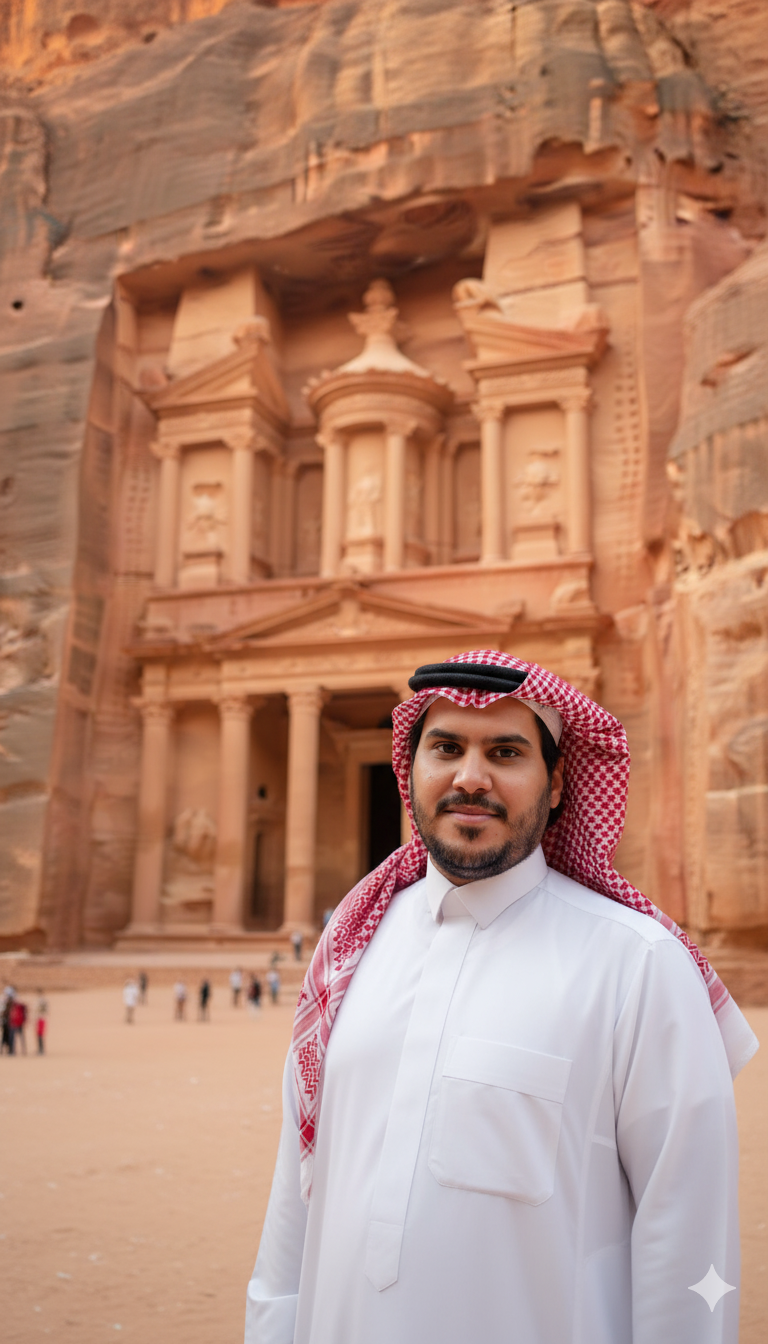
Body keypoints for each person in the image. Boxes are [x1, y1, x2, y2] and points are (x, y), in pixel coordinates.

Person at [246, 651, 758, 1344]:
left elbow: (687, 1244)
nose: (470, 777)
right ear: (409, 769)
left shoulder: (639, 965)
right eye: (445, 748)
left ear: (557, 783)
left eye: (506, 752)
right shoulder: (350, 947)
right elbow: (295, 1202)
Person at [35, 990, 48, 1055]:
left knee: (40, 1034)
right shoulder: (41, 1001)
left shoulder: (42, 1002)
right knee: (39, 1035)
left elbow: (45, 1010)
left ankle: (41, 1049)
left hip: (41, 1018)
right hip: (39, 1018)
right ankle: (40, 1049)